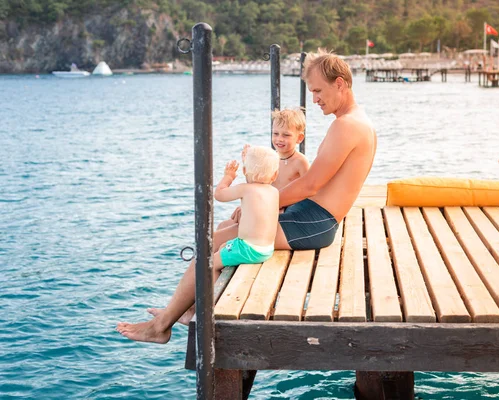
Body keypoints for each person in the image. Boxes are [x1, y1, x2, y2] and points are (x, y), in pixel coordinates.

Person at [116, 49, 377, 344]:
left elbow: (311, 185)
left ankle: (161, 326)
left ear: (340, 83)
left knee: (212, 244)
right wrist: (260, 207)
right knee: (222, 232)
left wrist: (260, 206)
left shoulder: (347, 126)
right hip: (310, 217)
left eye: (318, 91)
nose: (315, 99)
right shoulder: (356, 120)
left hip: (314, 223)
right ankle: (186, 309)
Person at [116, 145, 280, 343]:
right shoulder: (273, 191)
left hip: (247, 249)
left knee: (206, 264)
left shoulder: (246, 189)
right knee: (220, 250)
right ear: (275, 174)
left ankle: (207, 310)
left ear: (245, 172)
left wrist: (228, 176)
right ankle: (188, 309)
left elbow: (220, 194)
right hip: (266, 249)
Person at [222, 108, 310, 228]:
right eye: (275, 133)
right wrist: (248, 166)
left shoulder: (300, 162)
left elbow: (308, 191)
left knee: (232, 228)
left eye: (286, 135)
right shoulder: (270, 158)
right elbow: (257, 184)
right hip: (265, 205)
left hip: (284, 212)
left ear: (299, 138)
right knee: (223, 225)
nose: (279, 139)